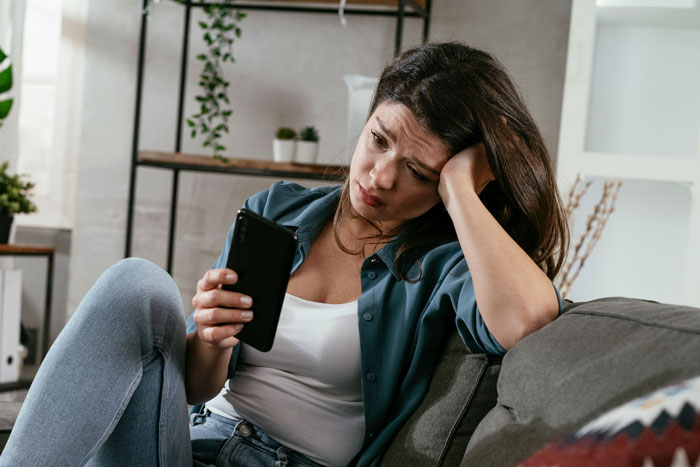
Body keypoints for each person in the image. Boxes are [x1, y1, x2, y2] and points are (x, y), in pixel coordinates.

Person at [0, 41, 568, 467]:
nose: (380, 175)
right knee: (136, 285)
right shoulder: (279, 209)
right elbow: (199, 386)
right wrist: (212, 337)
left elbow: (529, 318)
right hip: (188, 443)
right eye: (378, 139)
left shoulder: (441, 264)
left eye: (418, 171)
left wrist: (461, 189)